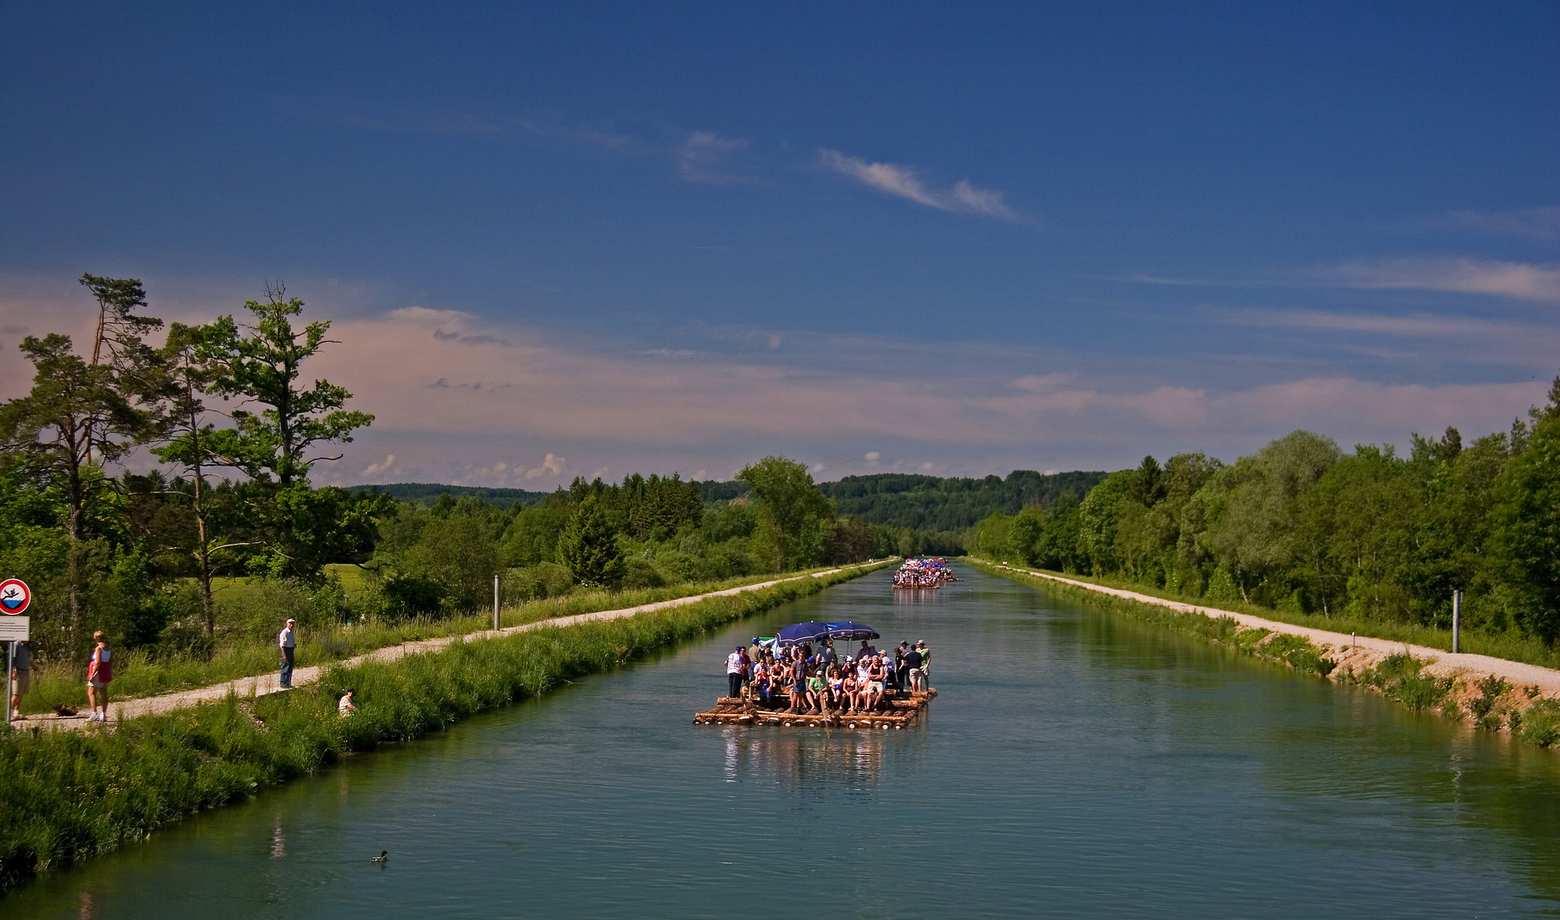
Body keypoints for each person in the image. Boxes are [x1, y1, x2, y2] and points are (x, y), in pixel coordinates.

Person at [86, 631, 112, 722]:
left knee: (91, 692)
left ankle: (94, 713)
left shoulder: (98, 648)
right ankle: (104, 714)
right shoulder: (108, 648)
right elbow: (110, 661)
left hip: (98, 672)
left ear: (96, 638)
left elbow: (97, 662)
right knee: (104, 693)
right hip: (106, 671)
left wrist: (92, 674)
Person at [9, 639, 30, 721]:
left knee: (21, 693)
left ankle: (16, 712)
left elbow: (25, 659)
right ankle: (10, 713)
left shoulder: (24, 647)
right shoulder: (16, 644)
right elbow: (12, 659)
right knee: (16, 693)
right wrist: (13, 671)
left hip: (26, 671)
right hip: (18, 671)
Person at [278, 618, 297, 689]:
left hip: (291, 649)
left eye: (292, 624)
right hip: (286, 650)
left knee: (290, 666)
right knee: (285, 666)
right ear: (287, 624)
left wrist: (294, 645)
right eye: (290, 623)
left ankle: (288, 682)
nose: (291, 625)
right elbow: (282, 644)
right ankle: (283, 683)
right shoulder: (284, 632)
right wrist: (284, 654)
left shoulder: (291, 633)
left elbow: (290, 642)